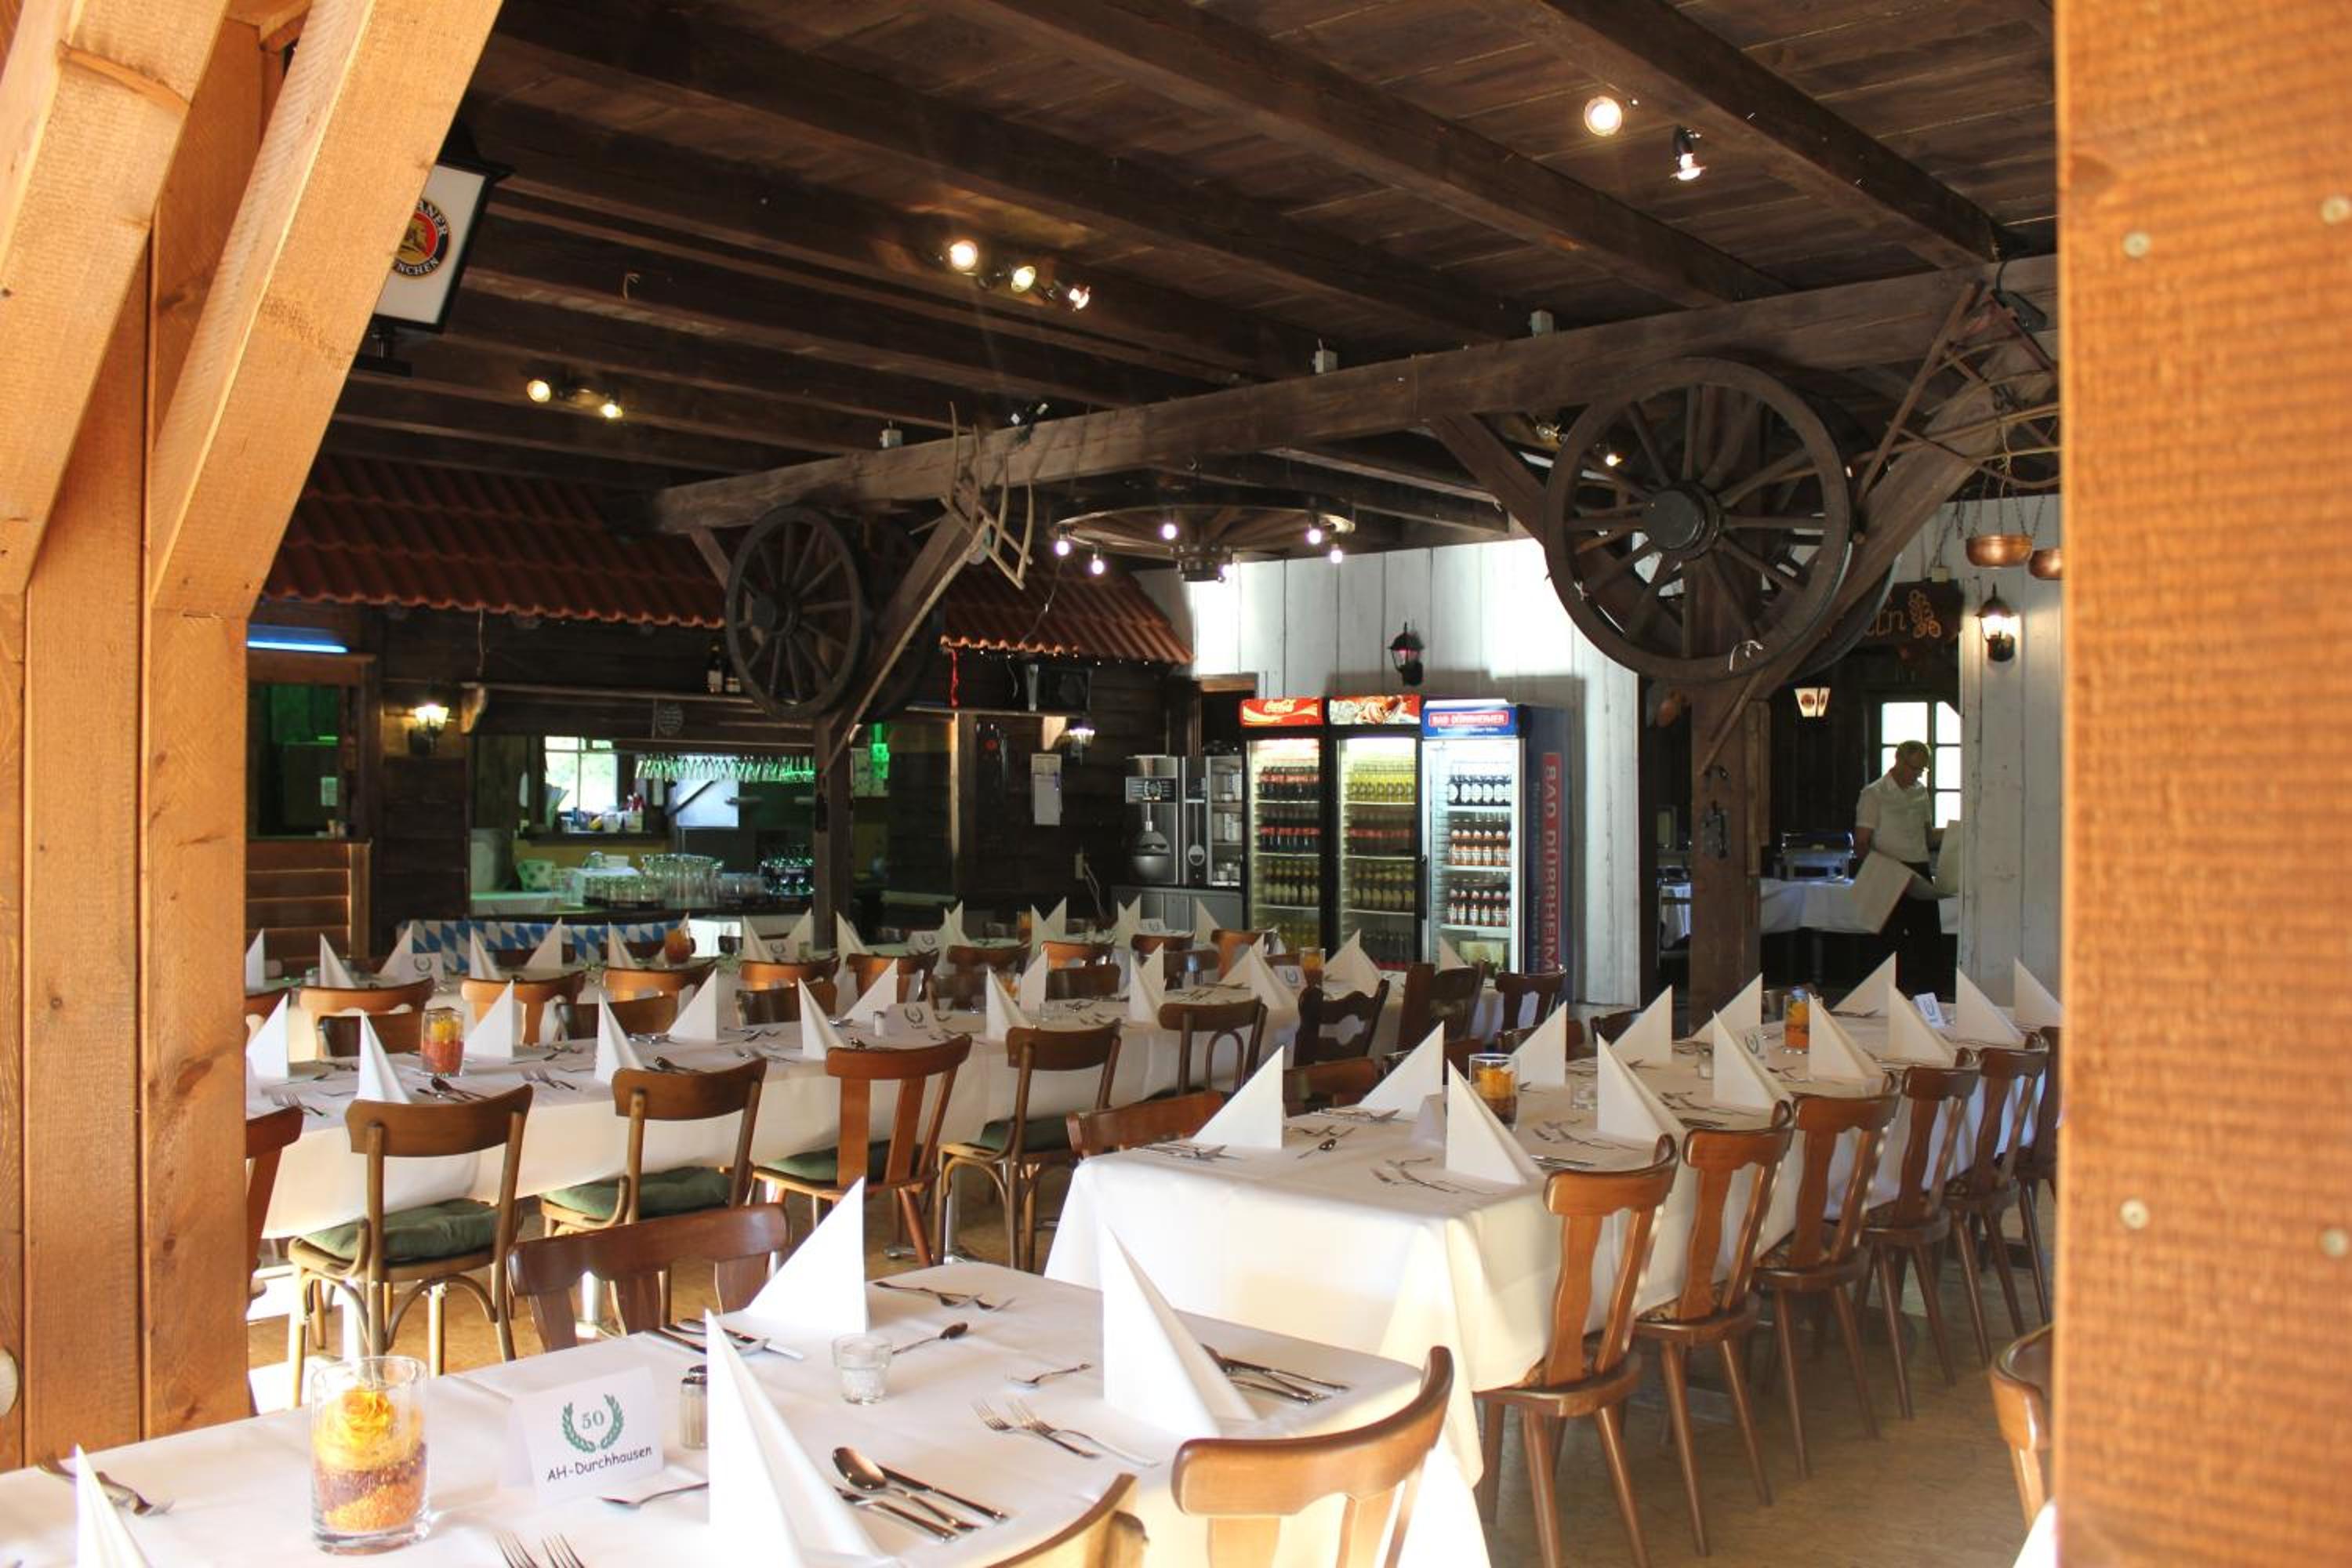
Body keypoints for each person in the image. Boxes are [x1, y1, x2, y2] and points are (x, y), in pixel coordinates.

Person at [1855, 739, 1947, 995]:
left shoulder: (1920, 792)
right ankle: (1883, 997)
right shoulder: (1874, 794)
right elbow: (1861, 842)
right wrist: (1880, 871)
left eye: (1921, 770)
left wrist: (1956, 832)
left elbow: (1927, 838)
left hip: (1919, 869)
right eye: (1913, 768)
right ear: (1898, 760)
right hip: (1888, 869)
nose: (1917, 774)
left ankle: (1931, 999)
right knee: (1887, 941)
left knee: (1929, 938)